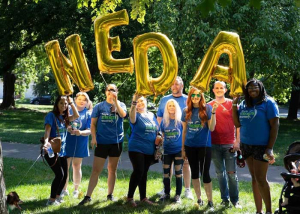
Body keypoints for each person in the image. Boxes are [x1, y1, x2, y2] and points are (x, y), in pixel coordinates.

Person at [232, 79, 279, 214]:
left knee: (260, 178)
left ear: (261, 88)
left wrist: (269, 148)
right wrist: (234, 105)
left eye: (255, 87)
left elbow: (275, 126)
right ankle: (259, 211)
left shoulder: (268, 103)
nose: (252, 90)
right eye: (250, 88)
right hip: (246, 145)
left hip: (262, 146)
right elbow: (237, 123)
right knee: (254, 178)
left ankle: (269, 211)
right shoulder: (244, 104)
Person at [78, 84, 127, 205]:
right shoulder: (99, 106)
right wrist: (93, 138)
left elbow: (123, 115)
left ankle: (110, 194)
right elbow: (93, 124)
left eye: (114, 90)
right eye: (110, 90)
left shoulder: (121, 105)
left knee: (112, 169)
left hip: (116, 142)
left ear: (117, 92)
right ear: (106, 92)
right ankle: (88, 196)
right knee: (96, 170)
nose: (112, 92)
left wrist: (116, 102)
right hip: (102, 142)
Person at [156, 76, 193, 200]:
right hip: (168, 142)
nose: (174, 86)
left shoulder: (188, 99)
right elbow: (160, 119)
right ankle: (166, 190)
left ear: (182, 86)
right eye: (172, 84)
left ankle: (187, 190)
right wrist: (160, 137)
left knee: (185, 165)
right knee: (168, 166)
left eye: (177, 84)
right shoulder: (164, 100)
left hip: (184, 139)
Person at [208, 81, 242, 208]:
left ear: (225, 90)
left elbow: (238, 125)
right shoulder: (209, 105)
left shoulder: (232, 104)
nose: (219, 90)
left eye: (221, 87)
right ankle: (225, 199)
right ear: (213, 90)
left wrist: (237, 141)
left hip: (229, 144)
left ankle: (235, 200)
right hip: (214, 143)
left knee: (231, 174)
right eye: (216, 88)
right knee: (220, 173)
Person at [181, 87, 217, 208]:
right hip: (190, 146)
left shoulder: (207, 108)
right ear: (190, 97)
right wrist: (183, 149)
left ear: (201, 97)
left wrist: (213, 112)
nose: (195, 97)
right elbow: (184, 131)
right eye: (193, 95)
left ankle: (210, 201)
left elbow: (211, 128)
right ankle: (199, 199)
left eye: (198, 95)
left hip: (204, 146)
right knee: (195, 173)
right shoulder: (185, 111)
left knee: (205, 173)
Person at [42, 96, 79, 206]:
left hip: (62, 151)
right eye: (61, 103)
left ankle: (57, 197)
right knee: (59, 175)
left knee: (65, 175)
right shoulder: (51, 116)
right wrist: (46, 143)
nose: (64, 105)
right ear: (56, 104)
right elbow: (47, 131)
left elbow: (76, 115)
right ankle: (51, 200)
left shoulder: (65, 117)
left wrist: (71, 102)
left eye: (65, 103)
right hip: (51, 150)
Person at [126, 95, 159, 207]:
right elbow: (132, 118)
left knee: (144, 172)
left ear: (146, 102)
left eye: (142, 101)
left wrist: (159, 136)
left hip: (149, 149)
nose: (140, 103)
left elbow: (157, 129)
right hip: (136, 147)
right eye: (137, 101)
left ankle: (143, 198)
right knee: (138, 171)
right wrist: (133, 103)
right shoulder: (135, 114)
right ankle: (130, 197)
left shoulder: (151, 115)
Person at [61, 92, 92, 198]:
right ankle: (64, 189)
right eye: (79, 99)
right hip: (67, 142)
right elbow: (62, 123)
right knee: (65, 166)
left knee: (77, 166)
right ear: (75, 100)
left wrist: (81, 133)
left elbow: (90, 130)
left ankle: (76, 190)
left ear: (87, 102)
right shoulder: (68, 110)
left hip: (81, 143)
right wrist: (68, 128)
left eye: (84, 99)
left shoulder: (88, 114)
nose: (82, 101)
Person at [159, 99, 184, 203]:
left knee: (178, 173)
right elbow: (161, 135)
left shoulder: (181, 121)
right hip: (167, 151)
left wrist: (184, 150)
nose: (171, 107)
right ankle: (166, 193)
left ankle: (178, 195)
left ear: (176, 107)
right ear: (167, 108)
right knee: (166, 174)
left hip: (178, 150)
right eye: (169, 106)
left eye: (173, 105)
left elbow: (185, 135)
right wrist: (159, 149)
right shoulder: (164, 121)